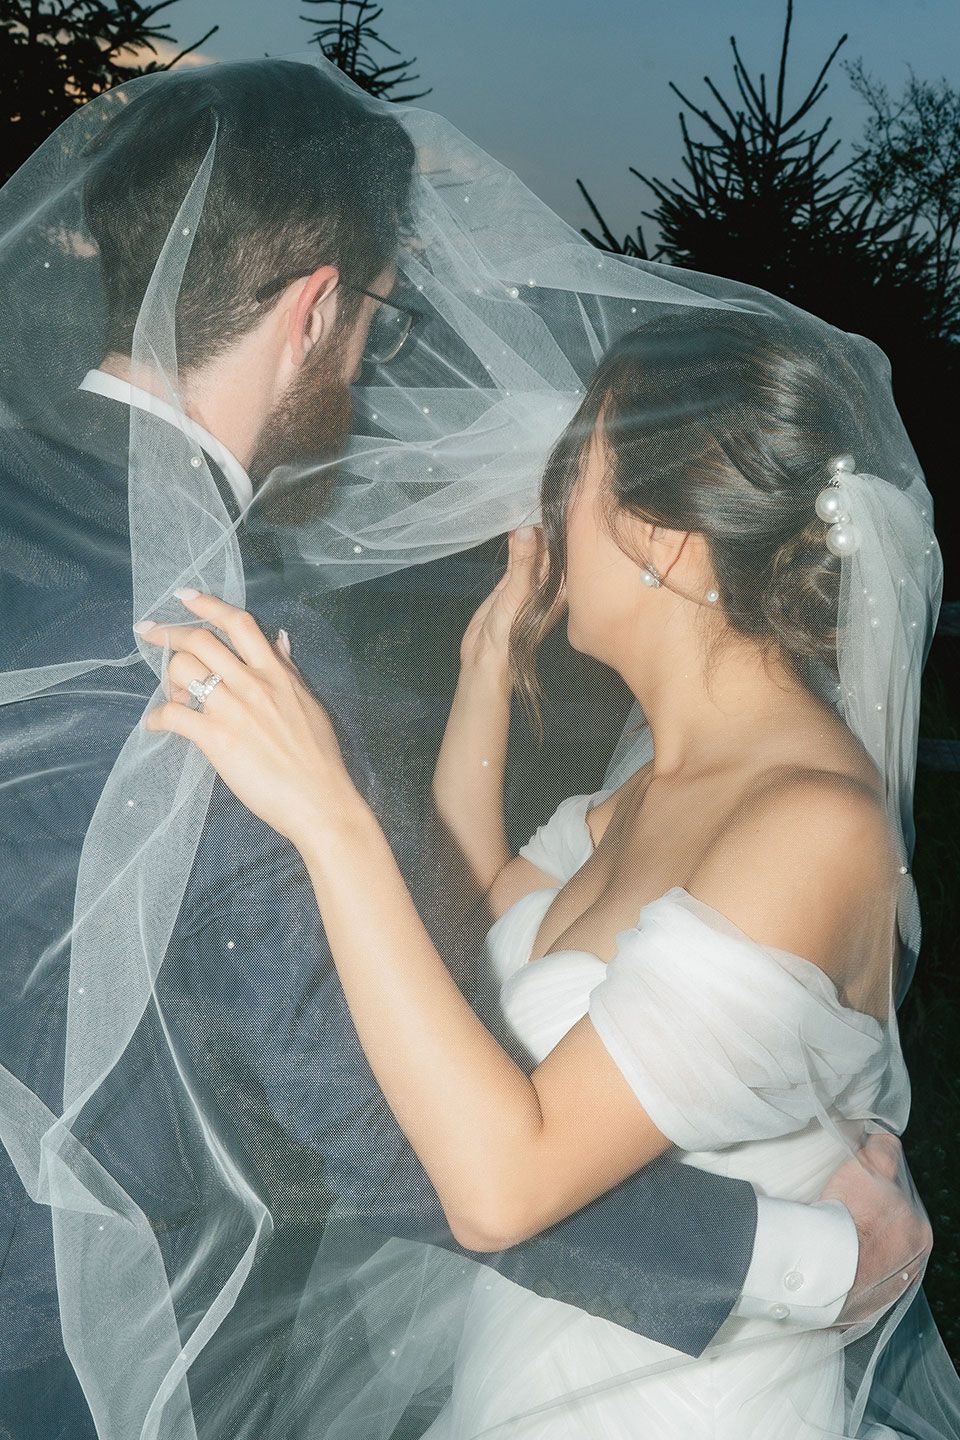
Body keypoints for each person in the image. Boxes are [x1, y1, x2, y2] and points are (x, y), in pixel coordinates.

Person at [0, 54, 941, 1440]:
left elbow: (457, 938)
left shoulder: (38, 520)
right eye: (378, 314)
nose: (541, 509)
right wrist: (800, 1260)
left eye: (576, 476)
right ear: (319, 307)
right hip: (55, 1317)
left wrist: (478, 687)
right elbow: (374, 1105)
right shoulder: (225, 641)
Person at [141, 306, 956, 1437]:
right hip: (533, 1374)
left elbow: (502, 1187)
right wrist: (488, 667)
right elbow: (469, 925)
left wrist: (331, 816)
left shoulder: (807, 824)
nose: (546, 502)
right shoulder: (645, 793)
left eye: (579, 465)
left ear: (667, 543)